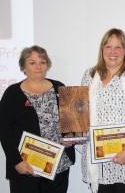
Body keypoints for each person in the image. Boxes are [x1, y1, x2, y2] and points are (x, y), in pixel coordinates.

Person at [80, 28, 125, 193]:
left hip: (124, 158)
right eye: (108, 46)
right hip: (96, 159)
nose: (113, 52)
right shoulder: (89, 76)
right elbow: (80, 113)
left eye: (118, 47)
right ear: (102, 49)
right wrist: (74, 133)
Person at [0, 45, 75, 193]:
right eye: (32, 62)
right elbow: (4, 131)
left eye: (42, 61)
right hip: (27, 166)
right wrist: (16, 161)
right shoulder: (12, 93)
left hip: (58, 166)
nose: (38, 66)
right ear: (24, 67)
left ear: (47, 65)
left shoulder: (60, 87)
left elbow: (70, 123)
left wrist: (70, 138)